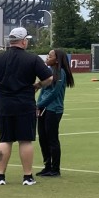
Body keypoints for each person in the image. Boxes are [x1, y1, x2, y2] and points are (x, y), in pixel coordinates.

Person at [0, 27, 53, 186]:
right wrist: (37, 85)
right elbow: (49, 78)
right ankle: (27, 177)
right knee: (25, 141)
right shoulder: (32, 59)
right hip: (25, 104)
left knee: (5, 140)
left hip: (5, 104)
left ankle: (0, 176)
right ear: (24, 41)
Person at [35, 49, 74, 177]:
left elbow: (55, 93)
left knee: (52, 138)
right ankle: (47, 166)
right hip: (43, 108)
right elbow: (43, 91)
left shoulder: (60, 73)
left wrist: (40, 104)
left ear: (57, 60)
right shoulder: (49, 72)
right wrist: (38, 104)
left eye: (50, 56)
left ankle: (55, 168)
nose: (47, 57)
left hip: (54, 109)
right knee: (42, 137)